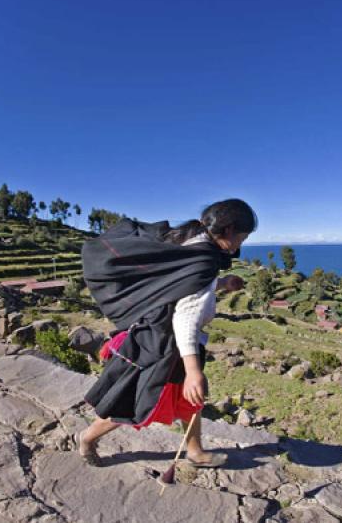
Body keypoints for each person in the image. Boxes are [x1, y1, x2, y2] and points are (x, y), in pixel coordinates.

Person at [77, 199, 258, 467]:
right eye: (242, 237)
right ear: (229, 229)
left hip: (164, 336)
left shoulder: (189, 240)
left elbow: (180, 286)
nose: (240, 245)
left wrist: (220, 284)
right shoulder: (204, 259)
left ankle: (195, 451)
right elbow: (186, 315)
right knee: (136, 401)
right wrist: (193, 370)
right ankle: (87, 438)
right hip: (163, 343)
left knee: (192, 399)